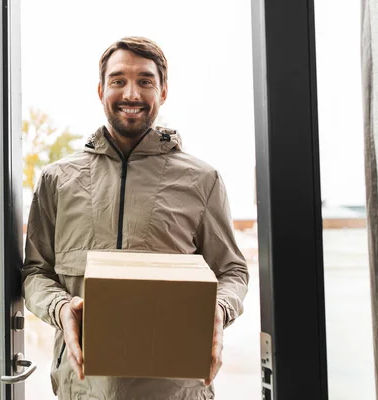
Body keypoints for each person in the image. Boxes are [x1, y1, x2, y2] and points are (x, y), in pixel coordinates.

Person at [22, 36, 249, 400]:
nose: (131, 93)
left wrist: (219, 310)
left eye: (145, 81)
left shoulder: (202, 180)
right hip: (81, 389)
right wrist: (61, 307)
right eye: (118, 81)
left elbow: (232, 272)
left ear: (163, 92)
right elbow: (35, 272)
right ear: (100, 90)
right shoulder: (56, 180)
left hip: (176, 390)